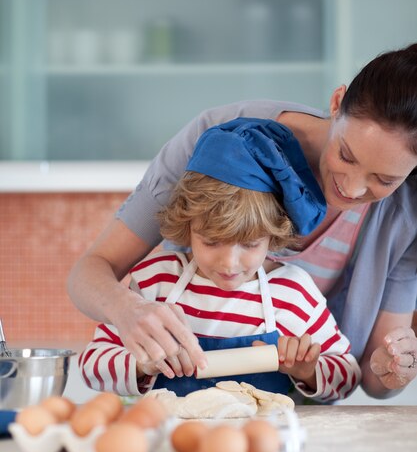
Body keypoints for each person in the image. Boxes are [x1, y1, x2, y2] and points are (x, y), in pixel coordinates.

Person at [68, 43, 417, 399]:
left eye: (384, 180)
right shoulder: (219, 142)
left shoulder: (402, 218)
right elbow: (90, 273)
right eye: (346, 154)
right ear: (336, 102)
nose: (353, 190)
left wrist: (394, 364)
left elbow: (371, 378)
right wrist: (128, 312)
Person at [79, 119, 361, 402]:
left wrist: (308, 371)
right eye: (211, 241)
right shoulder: (157, 281)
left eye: (250, 244)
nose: (229, 263)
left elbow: (347, 374)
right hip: (174, 442)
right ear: (187, 227)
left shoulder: (294, 293)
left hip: (265, 442)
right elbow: (92, 365)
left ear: (273, 234)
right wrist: (143, 365)